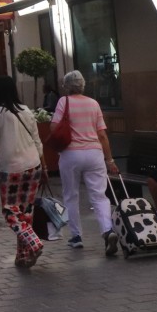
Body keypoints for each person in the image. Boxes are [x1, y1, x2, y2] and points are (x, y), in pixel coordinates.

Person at [0, 76, 46, 268]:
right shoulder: (26, 111)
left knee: (10, 211)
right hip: (33, 165)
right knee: (26, 211)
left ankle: (34, 242)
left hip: (12, 169)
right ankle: (23, 256)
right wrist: (42, 164)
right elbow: (37, 141)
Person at [52, 71, 119, 255]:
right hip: (94, 153)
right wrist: (110, 160)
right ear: (83, 85)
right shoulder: (93, 103)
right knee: (99, 195)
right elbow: (102, 135)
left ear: (67, 86)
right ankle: (107, 230)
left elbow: (54, 127)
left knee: (71, 195)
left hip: (71, 154)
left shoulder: (63, 102)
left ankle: (76, 237)